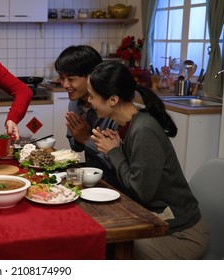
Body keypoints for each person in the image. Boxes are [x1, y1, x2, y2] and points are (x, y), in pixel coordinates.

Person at [87, 61, 209, 259]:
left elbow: (141, 191)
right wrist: (117, 149)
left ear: (112, 100)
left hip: (180, 234)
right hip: (156, 221)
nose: (89, 101)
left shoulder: (143, 130)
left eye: (92, 96)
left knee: (104, 246)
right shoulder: (127, 124)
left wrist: (114, 153)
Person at [54, 45, 121, 188]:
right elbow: (76, 147)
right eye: (61, 78)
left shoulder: (112, 108)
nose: (65, 85)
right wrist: (79, 139)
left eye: (71, 79)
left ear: (92, 76)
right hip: (92, 180)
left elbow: (118, 164)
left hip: (117, 186)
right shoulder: (75, 103)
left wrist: (86, 138)